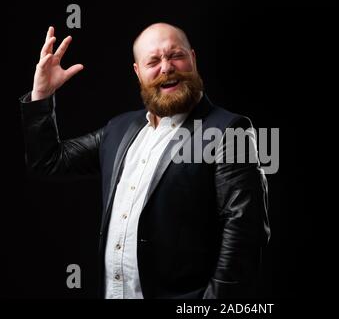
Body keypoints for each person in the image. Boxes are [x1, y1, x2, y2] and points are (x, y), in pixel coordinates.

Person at [19, 23, 270, 299]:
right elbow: (49, 162)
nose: (166, 67)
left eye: (176, 55)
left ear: (193, 60)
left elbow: (245, 234)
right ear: (138, 72)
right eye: (153, 61)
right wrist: (41, 96)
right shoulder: (118, 129)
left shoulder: (230, 130)